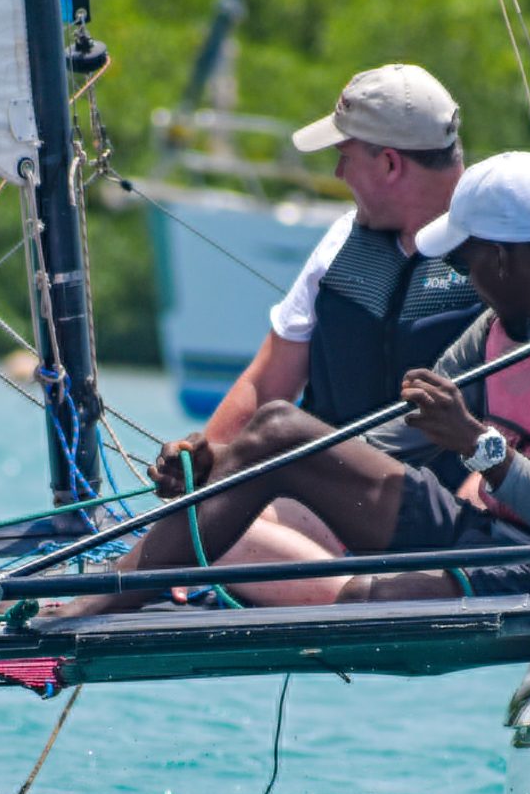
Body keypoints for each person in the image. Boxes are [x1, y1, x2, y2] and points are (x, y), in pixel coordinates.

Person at [57, 152, 530, 615]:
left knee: (375, 598)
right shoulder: (499, 329)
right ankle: (104, 592)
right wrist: (223, 465)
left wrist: (478, 447)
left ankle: (98, 600)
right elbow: (377, 446)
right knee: (278, 428)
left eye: (463, 261)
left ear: (501, 257)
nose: (464, 278)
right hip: (488, 533)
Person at [148, 64, 483, 603]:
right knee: (194, 524)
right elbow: (266, 383)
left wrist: (478, 536)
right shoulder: (341, 241)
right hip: (324, 501)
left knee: (207, 542)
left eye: (345, 156)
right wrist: (196, 474)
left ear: (390, 163)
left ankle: (360, 596)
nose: (337, 173)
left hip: (431, 513)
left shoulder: (496, 252)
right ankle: (345, 589)